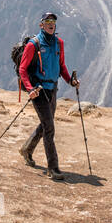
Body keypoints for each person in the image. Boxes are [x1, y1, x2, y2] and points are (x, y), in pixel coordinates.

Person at [17, 12, 78, 180]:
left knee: (45, 124)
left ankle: (27, 149)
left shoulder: (59, 43)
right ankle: (53, 168)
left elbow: (62, 66)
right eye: (48, 21)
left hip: (52, 89)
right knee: (49, 128)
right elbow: (23, 69)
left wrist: (70, 82)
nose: (51, 24)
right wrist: (29, 89)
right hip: (38, 90)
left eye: (53, 21)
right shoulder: (33, 44)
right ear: (41, 25)